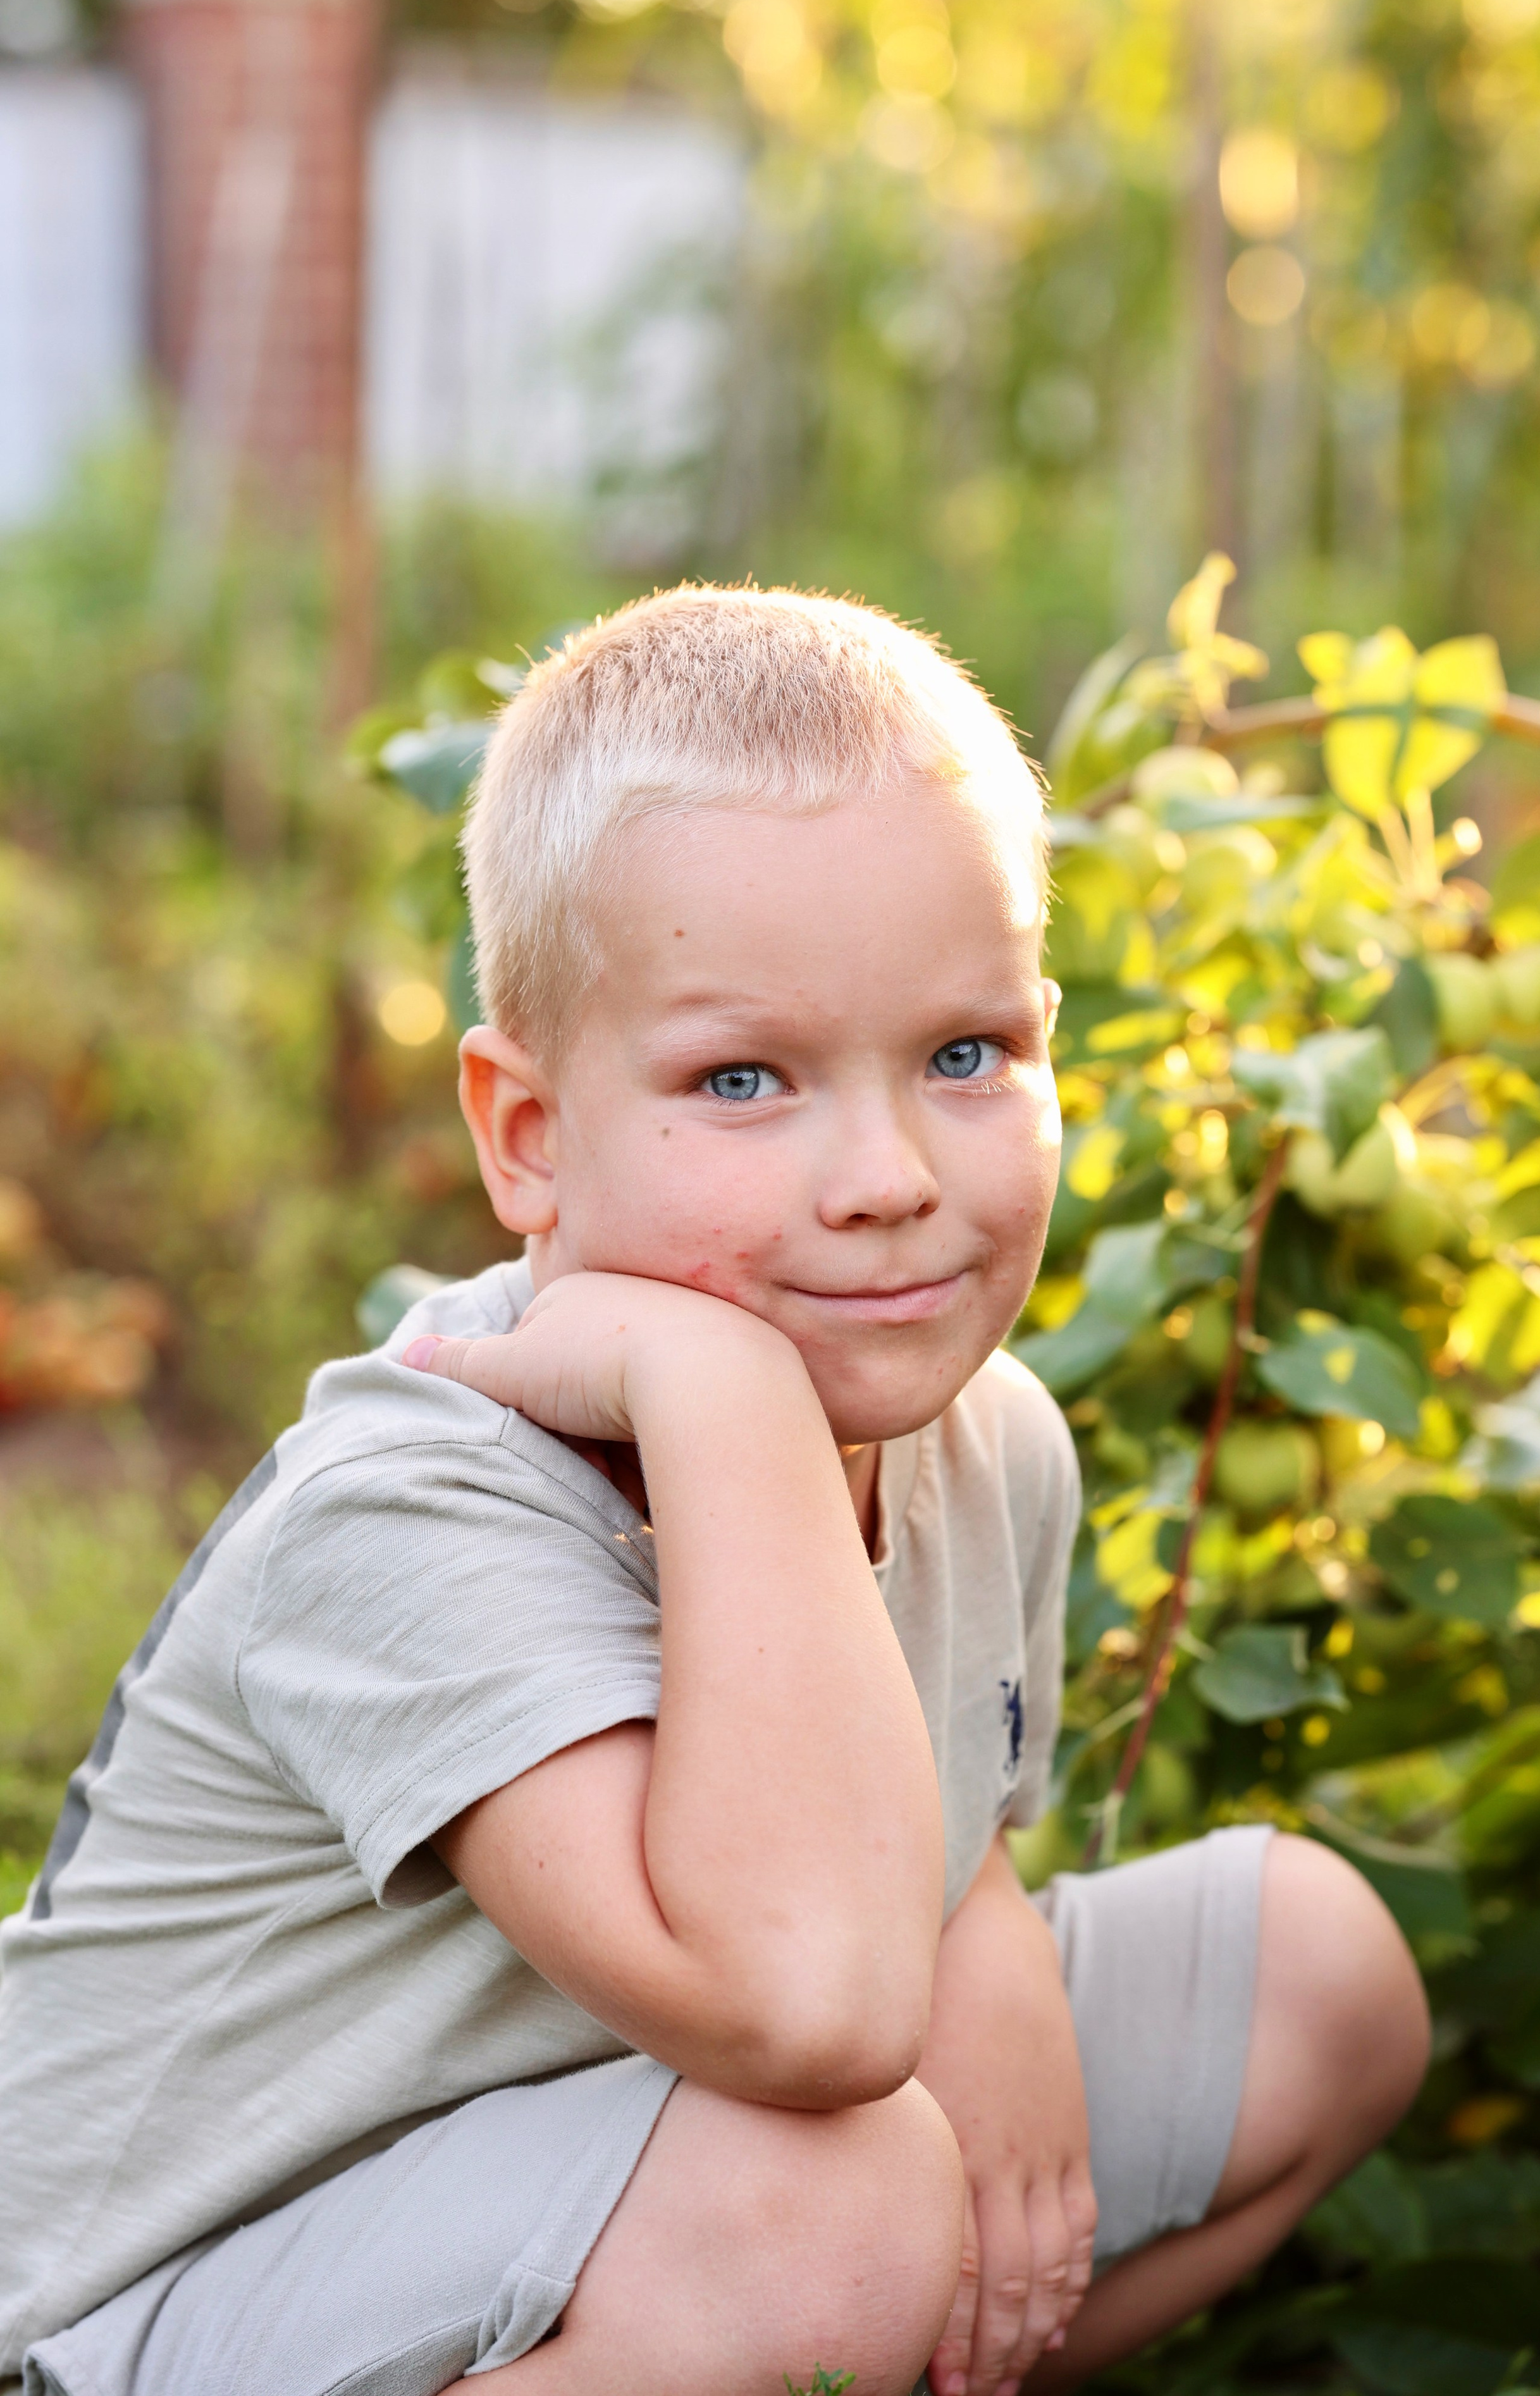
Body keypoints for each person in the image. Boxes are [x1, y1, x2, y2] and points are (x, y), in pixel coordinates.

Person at [0, 588, 1429, 2396]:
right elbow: (808, 2011)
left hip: (625, 2180)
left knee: (1319, 1974)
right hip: (171, 2299)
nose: (888, 1176)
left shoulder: (990, 1444)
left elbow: (921, 1829)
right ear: (526, 1136)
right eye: (742, 1079)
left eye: (966, 1056)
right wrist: (719, 1389)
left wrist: (982, 1939)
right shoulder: (404, 1516)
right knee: (836, 2199)